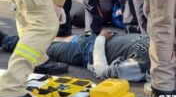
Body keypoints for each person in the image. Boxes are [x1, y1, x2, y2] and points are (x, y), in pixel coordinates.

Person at [0, 30, 150, 82]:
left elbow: (102, 72)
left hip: (83, 52)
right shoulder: (166, 49)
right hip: (90, 41)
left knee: (40, 47)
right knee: (47, 39)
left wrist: (101, 39)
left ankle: (5, 40)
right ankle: (8, 40)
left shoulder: (141, 66)